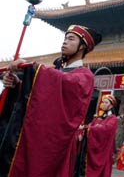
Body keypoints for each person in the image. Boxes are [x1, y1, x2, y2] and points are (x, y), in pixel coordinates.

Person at [0, 24, 102, 177]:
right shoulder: (56, 73)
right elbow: (39, 97)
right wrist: (17, 85)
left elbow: (63, 84)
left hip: (57, 144)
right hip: (37, 138)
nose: (65, 42)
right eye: (65, 38)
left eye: (71, 39)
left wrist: (32, 67)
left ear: (82, 47)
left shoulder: (84, 76)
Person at [75, 94, 118, 177]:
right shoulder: (99, 118)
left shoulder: (113, 119)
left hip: (104, 151)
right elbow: (90, 126)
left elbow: (105, 130)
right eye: (103, 102)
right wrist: (83, 129)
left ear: (111, 105)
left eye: (106, 102)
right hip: (91, 148)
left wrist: (89, 128)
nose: (103, 104)